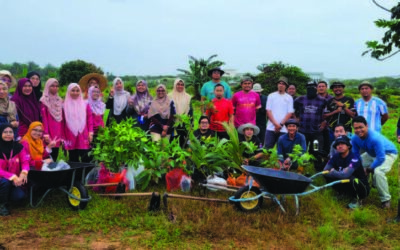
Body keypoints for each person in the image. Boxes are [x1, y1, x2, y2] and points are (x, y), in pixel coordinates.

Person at [351, 116, 398, 208]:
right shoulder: (355, 138)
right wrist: (355, 166)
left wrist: (369, 169)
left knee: (378, 172)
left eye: (361, 127)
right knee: (356, 168)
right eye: (356, 128)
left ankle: (385, 200)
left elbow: (381, 158)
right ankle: (363, 190)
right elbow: (355, 155)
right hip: (371, 153)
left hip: (387, 153)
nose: (359, 130)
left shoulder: (375, 138)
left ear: (366, 126)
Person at [324, 135, 370, 209]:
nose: (340, 146)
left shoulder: (355, 157)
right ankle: (342, 193)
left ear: (348, 146)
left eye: (342, 143)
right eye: (338, 144)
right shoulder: (335, 156)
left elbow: (346, 175)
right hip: (346, 183)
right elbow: (325, 170)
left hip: (361, 187)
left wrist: (334, 172)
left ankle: (358, 199)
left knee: (351, 178)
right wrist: (339, 173)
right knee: (326, 175)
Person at [294, 81, 328, 171]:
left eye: (313, 87)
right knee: (301, 150)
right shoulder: (299, 99)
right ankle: (300, 167)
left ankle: (317, 169)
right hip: (303, 130)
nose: (311, 89)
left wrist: (324, 122)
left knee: (316, 150)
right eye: (308, 87)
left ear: (316, 88)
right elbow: (293, 110)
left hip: (316, 131)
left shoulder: (323, 100)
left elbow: (327, 114)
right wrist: (296, 119)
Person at [0, 124, 30, 216]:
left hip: (14, 180)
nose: (8, 134)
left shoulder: (18, 147)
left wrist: (24, 172)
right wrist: (12, 176)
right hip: (3, 179)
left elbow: (25, 161)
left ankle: (5, 197)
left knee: (20, 196)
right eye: (5, 132)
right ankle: (2, 206)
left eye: (10, 132)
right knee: (5, 182)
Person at [63, 83, 94, 163]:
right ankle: (75, 175)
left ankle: (86, 174)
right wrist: (62, 137)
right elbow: (62, 122)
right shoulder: (64, 105)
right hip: (69, 134)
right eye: (73, 90)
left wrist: (90, 132)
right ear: (69, 92)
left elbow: (89, 119)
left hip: (83, 134)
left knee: (85, 156)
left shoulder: (85, 104)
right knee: (73, 157)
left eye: (77, 91)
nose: (75, 93)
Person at [265, 77, 294, 149]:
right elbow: (268, 111)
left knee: (282, 150)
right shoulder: (271, 96)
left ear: (286, 86)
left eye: (283, 84)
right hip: (271, 127)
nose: (281, 85)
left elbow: (290, 112)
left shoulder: (289, 97)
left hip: (283, 128)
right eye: (279, 83)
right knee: (267, 149)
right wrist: (276, 124)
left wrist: (280, 125)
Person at [40, 78, 64, 161]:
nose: (55, 88)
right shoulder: (44, 101)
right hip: (48, 131)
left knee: (55, 154)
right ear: (47, 87)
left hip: (58, 131)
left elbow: (62, 119)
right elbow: (44, 118)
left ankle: (53, 172)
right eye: (52, 86)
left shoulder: (60, 100)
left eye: (57, 86)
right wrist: (46, 133)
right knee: (47, 155)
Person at [168, 78, 193, 147]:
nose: (180, 86)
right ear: (175, 85)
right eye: (178, 84)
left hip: (184, 123)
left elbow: (190, 111)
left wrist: (190, 123)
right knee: (173, 142)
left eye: (182, 85)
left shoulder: (188, 97)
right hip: (172, 123)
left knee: (184, 142)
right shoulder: (169, 96)